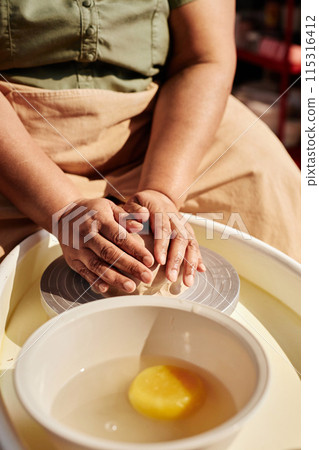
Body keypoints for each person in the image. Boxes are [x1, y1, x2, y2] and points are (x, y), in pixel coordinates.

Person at [0, 0, 300, 295]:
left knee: (273, 183)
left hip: (161, 124)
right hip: (18, 141)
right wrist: (63, 209)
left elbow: (204, 59)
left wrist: (163, 191)